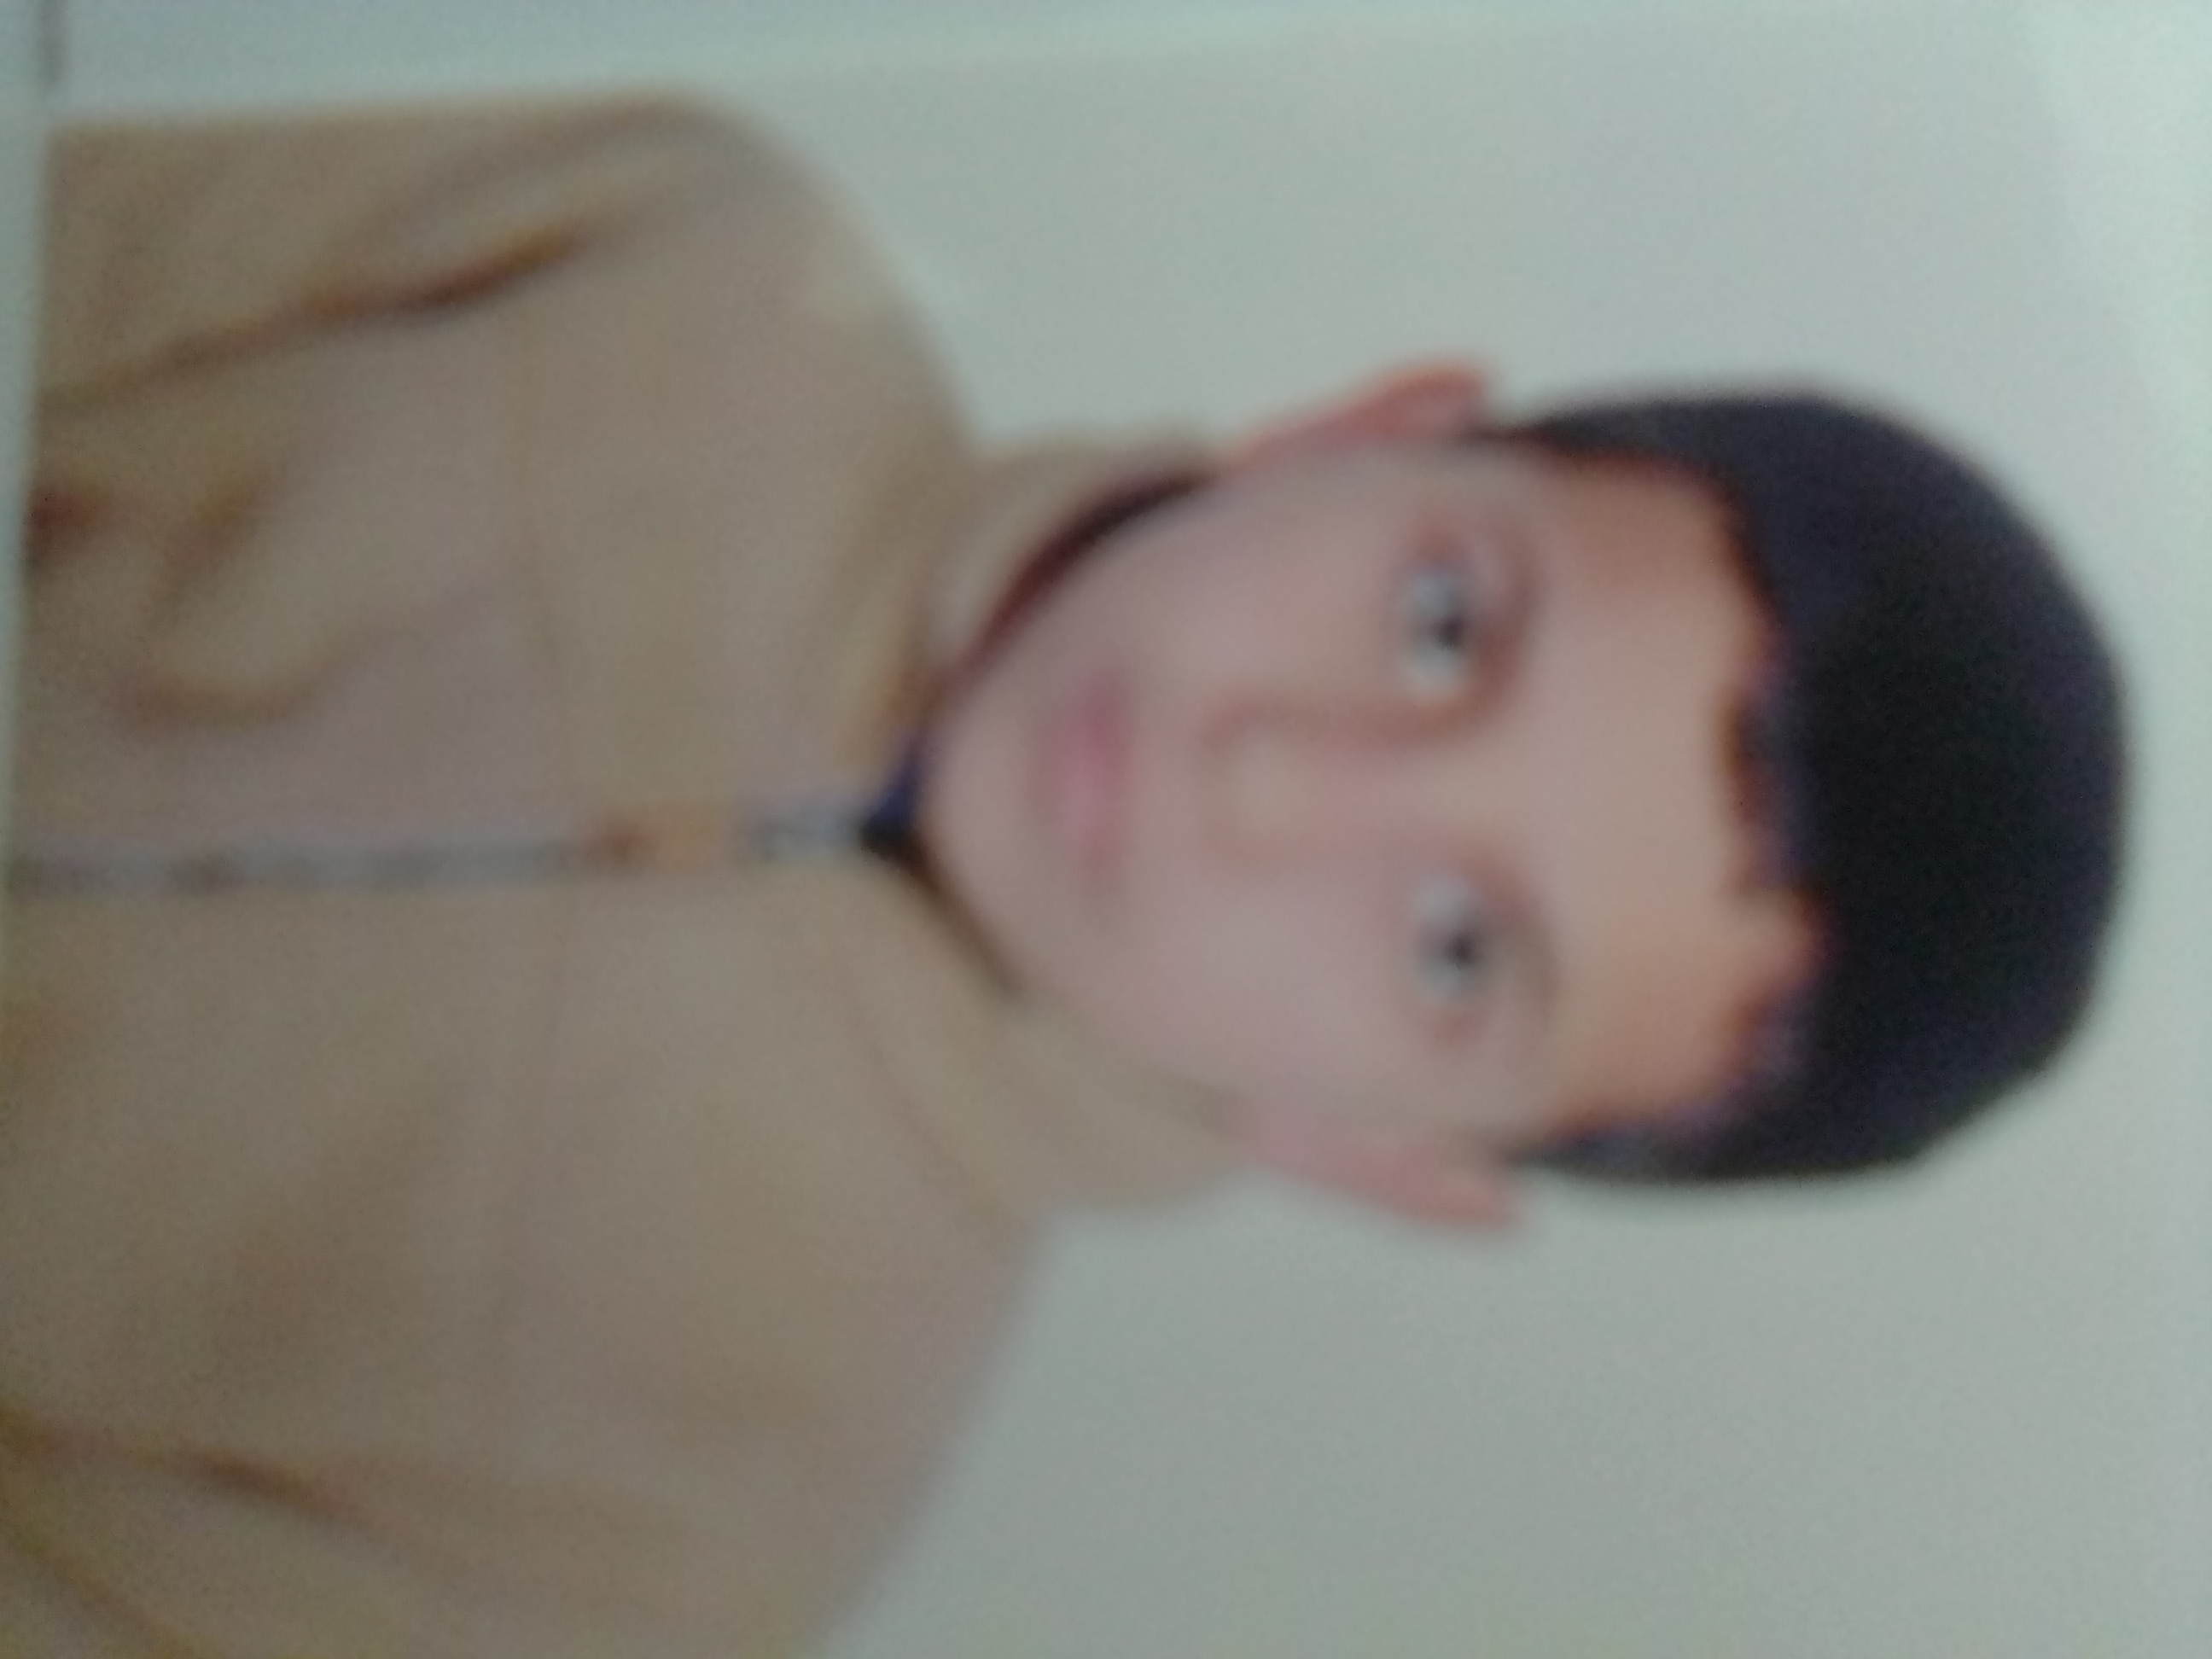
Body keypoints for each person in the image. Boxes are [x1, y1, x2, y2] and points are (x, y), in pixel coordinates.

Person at [0, 96, 2122, 1656]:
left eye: (1455, 948)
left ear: (1392, 1159)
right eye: (1441, 624)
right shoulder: (673, 250)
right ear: (1360, 429)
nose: (1268, 782)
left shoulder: (687, 1544)